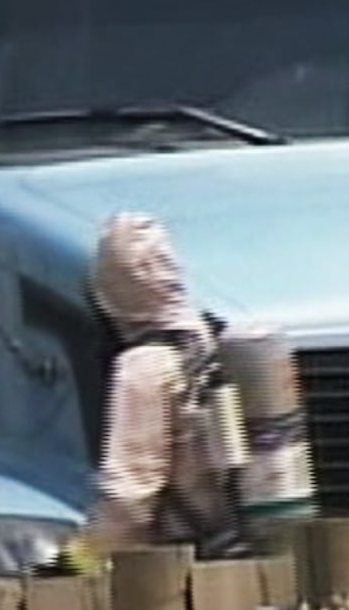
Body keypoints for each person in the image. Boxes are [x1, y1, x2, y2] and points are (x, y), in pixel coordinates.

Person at [71, 210, 246, 561]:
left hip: (190, 562)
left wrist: (73, 567)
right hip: (246, 542)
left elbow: (129, 499)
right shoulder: (215, 344)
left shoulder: (143, 367)